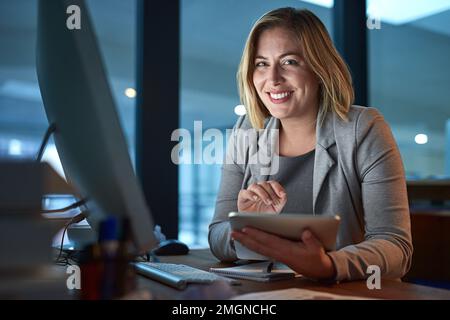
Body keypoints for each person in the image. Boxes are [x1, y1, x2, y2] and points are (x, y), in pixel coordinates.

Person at [208, 7, 413, 282]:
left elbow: (396, 247)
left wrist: (329, 265)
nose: (273, 79)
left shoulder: (364, 128)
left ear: (319, 69)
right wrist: (246, 226)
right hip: (270, 295)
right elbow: (216, 234)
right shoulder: (247, 130)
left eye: (289, 61)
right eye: (261, 64)